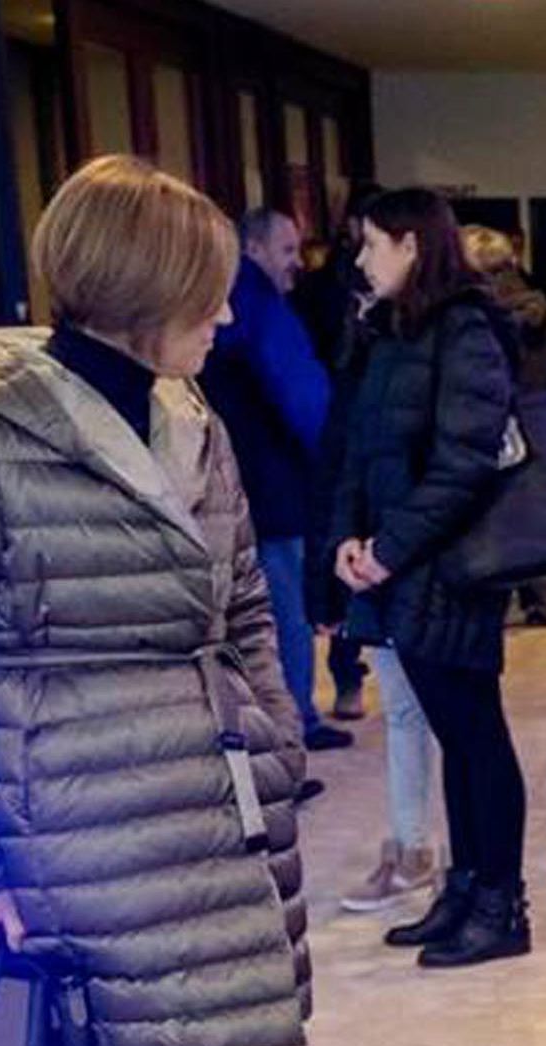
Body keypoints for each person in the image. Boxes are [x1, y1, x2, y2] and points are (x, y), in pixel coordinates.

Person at [0, 154, 355, 1046]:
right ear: (135, 292)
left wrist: (267, 726)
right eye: (206, 292)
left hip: (199, 811)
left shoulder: (192, 414)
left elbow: (245, 602)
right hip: (65, 826)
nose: (229, 315)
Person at [332, 187, 531, 968]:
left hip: (450, 568)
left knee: (477, 734)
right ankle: (465, 888)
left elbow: (464, 465)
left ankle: (501, 904)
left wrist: (387, 547)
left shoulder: (468, 328)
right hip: (400, 564)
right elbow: (359, 448)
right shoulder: (389, 329)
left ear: (412, 245)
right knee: (455, 732)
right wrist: (350, 539)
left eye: (371, 242)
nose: (360, 257)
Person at [202, 208, 352, 756]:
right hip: (276, 488)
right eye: (288, 251)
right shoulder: (263, 309)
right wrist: (336, 462)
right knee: (284, 613)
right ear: (256, 249)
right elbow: (303, 399)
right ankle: (296, 722)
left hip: (235, 487)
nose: (298, 263)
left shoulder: (219, 302)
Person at [294, 178, 382, 722]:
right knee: (340, 544)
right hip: (339, 432)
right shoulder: (325, 290)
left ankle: (351, 666)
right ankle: (347, 667)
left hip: (350, 433)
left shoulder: (328, 290)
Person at [464, 224, 546, 627]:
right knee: (542, 513)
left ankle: (504, 603)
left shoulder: (476, 317)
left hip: (496, 424)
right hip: (544, 417)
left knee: (496, 516)